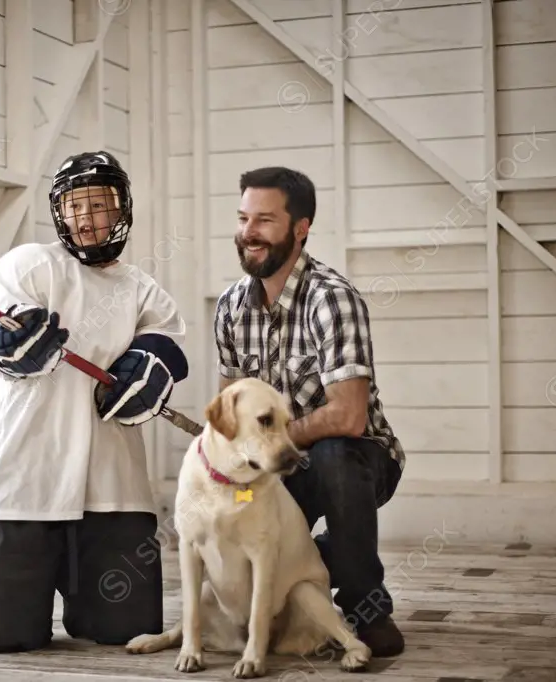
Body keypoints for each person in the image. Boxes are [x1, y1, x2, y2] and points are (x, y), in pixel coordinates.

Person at [0, 150, 189, 653]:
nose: (85, 219)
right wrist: (12, 341)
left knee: (122, 634)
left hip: (115, 492)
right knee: (4, 639)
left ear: (121, 210)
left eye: (98, 206)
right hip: (23, 483)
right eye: (73, 207)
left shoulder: (143, 289)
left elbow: (169, 348)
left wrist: (150, 369)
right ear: (59, 212)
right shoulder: (27, 264)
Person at [212, 166, 405, 657]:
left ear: (301, 228)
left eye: (264, 221)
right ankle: (266, 594)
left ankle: (367, 609)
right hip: (277, 466)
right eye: (243, 218)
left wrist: (267, 442)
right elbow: (232, 414)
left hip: (357, 459)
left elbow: (348, 417)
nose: (248, 233)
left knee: (337, 455)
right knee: (226, 502)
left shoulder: (331, 298)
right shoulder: (232, 307)